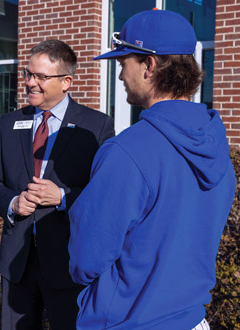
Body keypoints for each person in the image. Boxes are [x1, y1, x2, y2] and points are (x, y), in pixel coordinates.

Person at [68, 10, 236, 330]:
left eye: (122, 63)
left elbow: (86, 259)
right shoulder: (216, 146)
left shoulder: (126, 151)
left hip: (129, 320)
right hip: (191, 319)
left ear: (149, 66)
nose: (119, 76)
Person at [0, 39, 114, 329]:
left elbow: (106, 194)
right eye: (28, 74)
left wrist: (63, 197)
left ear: (66, 81)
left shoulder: (96, 126)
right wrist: (13, 203)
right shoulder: (8, 123)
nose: (30, 83)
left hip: (68, 262)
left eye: (40, 77)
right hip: (18, 261)